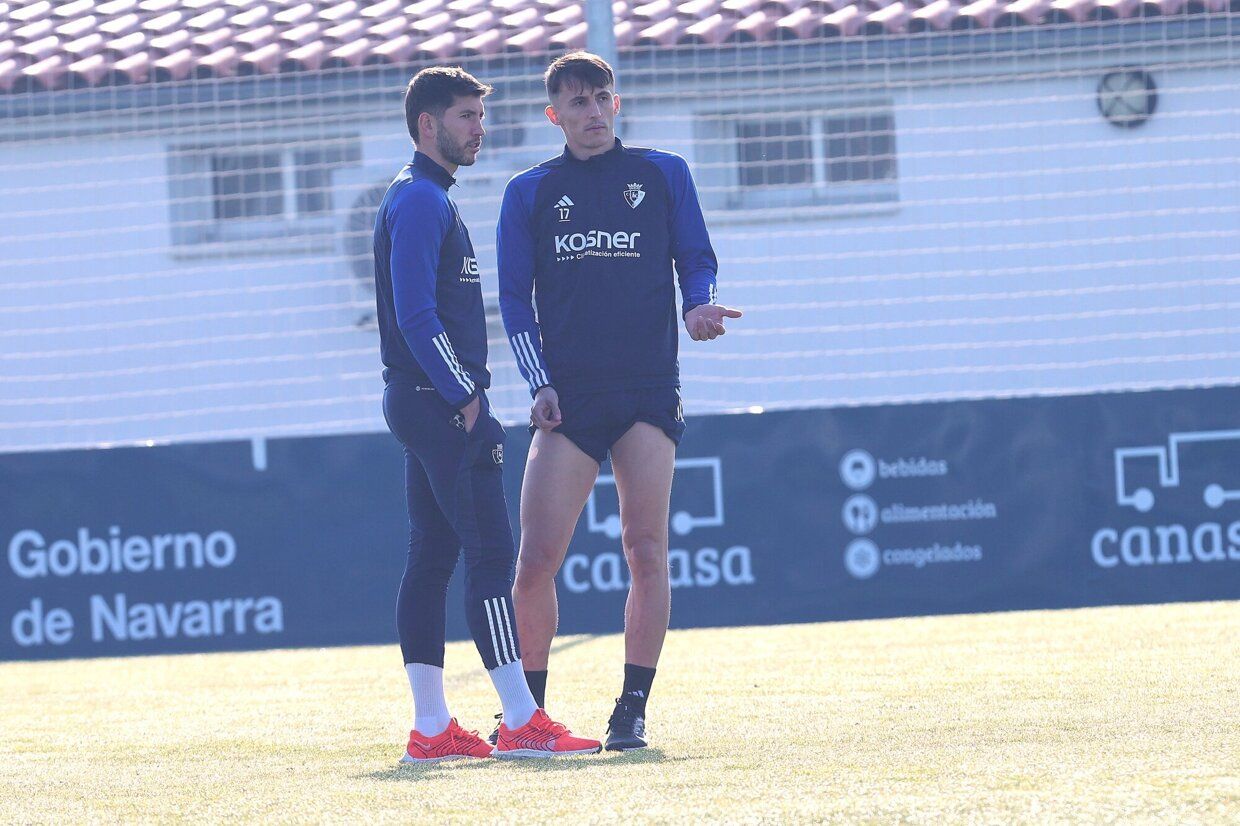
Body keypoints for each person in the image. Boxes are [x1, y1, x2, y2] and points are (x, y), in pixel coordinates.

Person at [496, 52, 742, 751]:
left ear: (617, 102)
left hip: (646, 391)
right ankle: (528, 717)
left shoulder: (663, 174)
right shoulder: (529, 191)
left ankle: (631, 710)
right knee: (535, 561)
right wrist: (539, 382)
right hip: (568, 399)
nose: (594, 111)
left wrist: (698, 304)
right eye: (578, 102)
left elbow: (696, 257)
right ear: (555, 115)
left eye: (602, 97)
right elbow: (513, 300)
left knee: (646, 549)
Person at [374, 66, 600, 762]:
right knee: (491, 559)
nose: (480, 128)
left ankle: (432, 728)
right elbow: (417, 316)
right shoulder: (420, 200)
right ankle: (522, 720)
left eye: (480, 114)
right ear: (427, 125)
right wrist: (466, 398)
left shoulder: (425, 196)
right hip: (440, 405)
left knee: (431, 558)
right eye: (466, 116)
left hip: (420, 403)